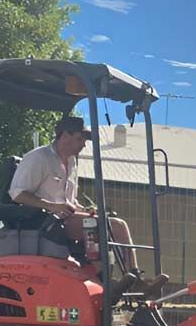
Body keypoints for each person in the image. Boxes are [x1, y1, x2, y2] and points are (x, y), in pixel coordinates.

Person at [8, 115, 140, 274]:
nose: (84, 144)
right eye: (80, 139)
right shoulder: (38, 158)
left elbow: (70, 201)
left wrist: (87, 210)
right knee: (101, 226)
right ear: (64, 136)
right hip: (43, 221)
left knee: (115, 224)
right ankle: (107, 277)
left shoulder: (72, 162)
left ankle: (130, 278)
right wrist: (52, 206)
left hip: (65, 219)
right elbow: (17, 194)